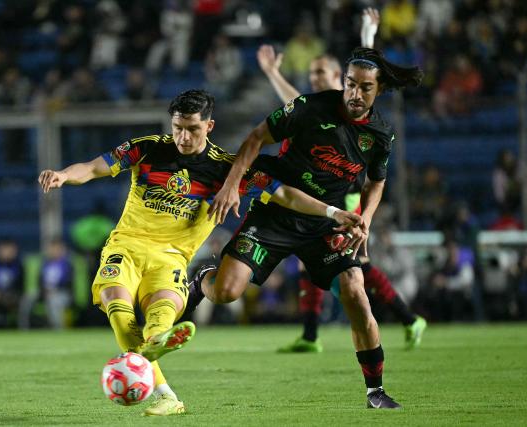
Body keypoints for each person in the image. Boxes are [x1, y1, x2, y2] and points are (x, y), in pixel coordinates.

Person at [38, 89, 362, 416]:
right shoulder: (147, 148)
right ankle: (164, 389)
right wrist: (64, 175)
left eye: (192, 128)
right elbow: (95, 168)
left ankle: (158, 360)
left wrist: (333, 213)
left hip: (171, 261)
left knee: (157, 323)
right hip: (126, 249)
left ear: (209, 126)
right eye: (178, 127)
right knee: (119, 314)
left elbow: (286, 195)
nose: (183, 136)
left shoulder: (227, 169)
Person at [188, 48, 423, 409]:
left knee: (355, 289)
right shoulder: (311, 107)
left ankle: (375, 391)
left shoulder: (380, 134)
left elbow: (376, 182)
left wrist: (368, 222)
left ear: (379, 90)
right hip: (277, 209)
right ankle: (203, 276)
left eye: (365, 88)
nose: (354, 95)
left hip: (325, 224)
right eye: (349, 85)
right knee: (226, 292)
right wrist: (232, 184)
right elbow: (255, 138)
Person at [256, 8, 426, 353]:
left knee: (354, 263)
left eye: (321, 73)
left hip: (345, 195)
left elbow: (366, 69)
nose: (315, 78)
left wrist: (367, 35)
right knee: (318, 261)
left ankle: (407, 318)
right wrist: (366, 36)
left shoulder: (345, 100)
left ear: (338, 76)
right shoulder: (320, 104)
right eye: (312, 73)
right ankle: (311, 334)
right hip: (317, 192)